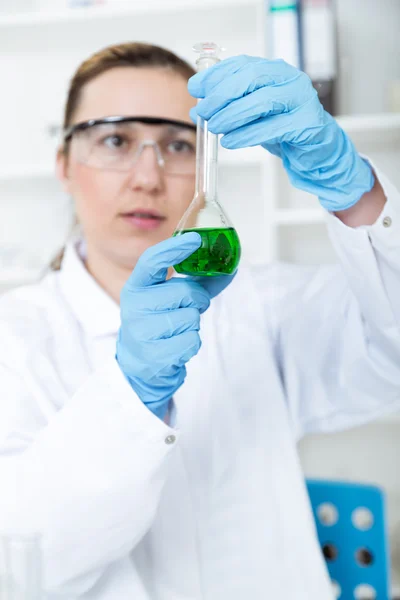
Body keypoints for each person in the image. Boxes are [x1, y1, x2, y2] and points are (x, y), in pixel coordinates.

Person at [0, 41, 399, 600]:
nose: (148, 176)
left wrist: (354, 193)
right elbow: (17, 559)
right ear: (64, 164)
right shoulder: (12, 339)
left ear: (208, 160)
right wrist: (129, 397)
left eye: (179, 143)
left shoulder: (262, 305)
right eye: (115, 140)